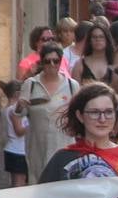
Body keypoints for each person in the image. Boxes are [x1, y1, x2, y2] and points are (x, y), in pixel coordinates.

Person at [23, 41, 79, 183]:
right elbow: (19, 115)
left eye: (56, 61)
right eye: (48, 61)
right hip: (37, 147)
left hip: (64, 145)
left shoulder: (72, 85)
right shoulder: (31, 84)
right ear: (42, 62)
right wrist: (19, 106)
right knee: (38, 185)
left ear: (61, 61)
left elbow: (79, 115)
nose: (52, 65)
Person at [0, 79, 29, 186]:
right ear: (17, 94)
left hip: (15, 149)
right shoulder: (13, 110)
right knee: (19, 184)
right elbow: (19, 131)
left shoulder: (7, 109)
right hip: (18, 150)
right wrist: (32, 126)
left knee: (17, 182)